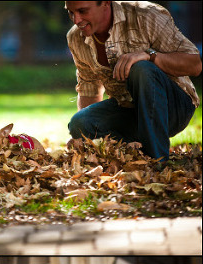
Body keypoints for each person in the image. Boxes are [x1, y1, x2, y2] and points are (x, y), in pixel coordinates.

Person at [64, 0, 200, 166]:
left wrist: (150, 56)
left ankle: (157, 164)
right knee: (80, 123)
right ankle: (133, 156)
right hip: (129, 110)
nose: (76, 20)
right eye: (70, 12)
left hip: (174, 108)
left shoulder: (146, 15)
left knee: (141, 68)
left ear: (105, 3)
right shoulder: (75, 37)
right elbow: (89, 90)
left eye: (83, 11)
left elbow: (195, 65)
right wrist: (86, 140)